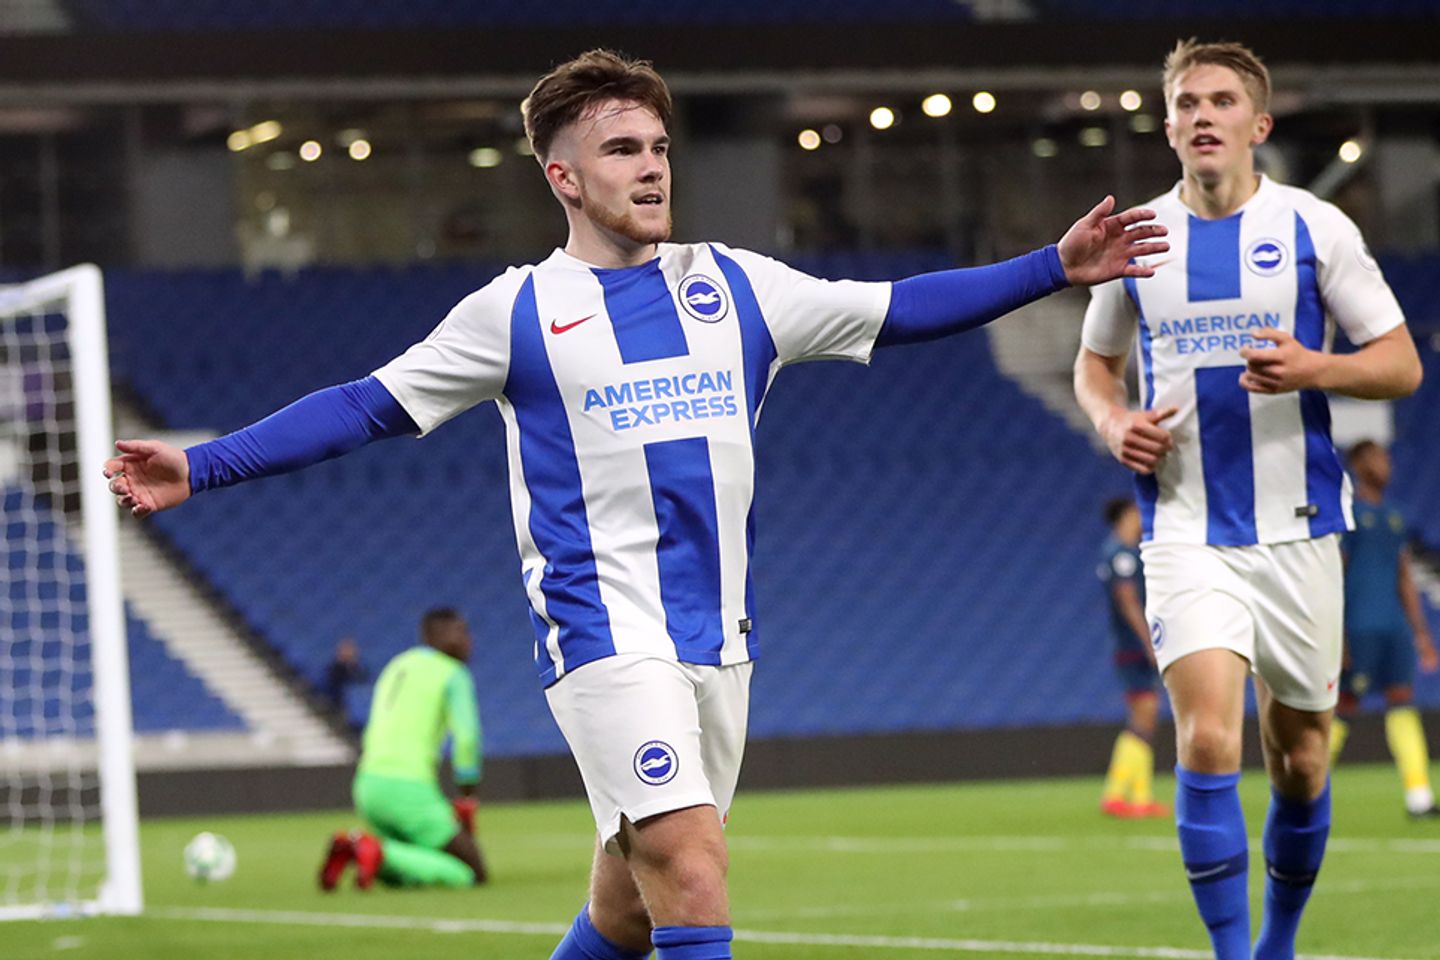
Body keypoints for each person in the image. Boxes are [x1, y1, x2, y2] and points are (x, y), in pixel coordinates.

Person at [104, 49, 1166, 960]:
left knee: (629, 909)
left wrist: (1051, 269)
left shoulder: (738, 286)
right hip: (603, 630)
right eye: (622, 150)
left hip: (721, 640)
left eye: (658, 148)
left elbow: (894, 309)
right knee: (694, 868)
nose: (651, 167)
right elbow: (364, 406)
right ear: (562, 176)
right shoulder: (516, 310)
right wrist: (205, 466)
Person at [1074, 38, 1423, 960]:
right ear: (1168, 124)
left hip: (1303, 531)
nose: (1202, 115)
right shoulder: (1139, 238)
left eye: (1222, 101)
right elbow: (1094, 366)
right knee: (1208, 741)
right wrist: (1113, 426)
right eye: (1187, 101)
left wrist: (1319, 367)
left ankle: (1281, 939)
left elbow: (1400, 364)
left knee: (1302, 761)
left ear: (1256, 125)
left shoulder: (1314, 228)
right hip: (1185, 527)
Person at [319, 607, 489, 890]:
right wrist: (467, 792)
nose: (468, 640)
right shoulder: (453, 673)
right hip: (409, 790)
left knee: (414, 863)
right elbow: (467, 737)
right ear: (436, 636)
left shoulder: (397, 664)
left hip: (367, 786)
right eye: (461, 632)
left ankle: (361, 849)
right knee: (472, 871)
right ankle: (375, 849)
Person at [1330, 441, 1440, 818]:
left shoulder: (1395, 516)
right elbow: (1334, 575)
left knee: (1402, 702)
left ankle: (1419, 796)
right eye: (1376, 457)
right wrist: (1336, 634)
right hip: (1359, 627)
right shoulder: (1349, 515)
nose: (1385, 464)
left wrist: (1421, 634)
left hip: (1393, 628)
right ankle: (1307, 791)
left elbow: (1404, 578)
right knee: (1345, 706)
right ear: (1359, 464)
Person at [1097, 498, 1167, 819]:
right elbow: (1127, 600)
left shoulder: (1125, 551)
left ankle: (1139, 797)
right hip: (1132, 646)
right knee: (1144, 715)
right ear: (1126, 515)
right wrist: (1148, 642)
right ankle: (1116, 793)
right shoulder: (1121, 554)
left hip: (1131, 645)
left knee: (1146, 717)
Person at [323, 635, 370, 716]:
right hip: (339, 702)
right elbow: (334, 686)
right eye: (345, 650)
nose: (348, 653)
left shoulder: (359, 668)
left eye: (350, 650)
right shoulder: (334, 669)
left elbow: (363, 680)